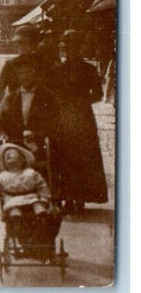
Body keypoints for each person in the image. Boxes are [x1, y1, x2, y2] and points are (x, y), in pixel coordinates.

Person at [52, 30, 108, 211]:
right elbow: (50, 94)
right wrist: (81, 102)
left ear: (79, 49)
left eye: (73, 48)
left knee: (78, 157)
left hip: (77, 117)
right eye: (67, 48)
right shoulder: (60, 70)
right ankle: (70, 197)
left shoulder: (83, 70)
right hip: (71, 117)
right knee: (67, 157)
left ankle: (78, 197)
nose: (70, 52)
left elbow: (98, 94)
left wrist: (77, 102)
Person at [0, 25, 61, 174]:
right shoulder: (10, 65)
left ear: (35, 44)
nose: (22, 47)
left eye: (26, 43)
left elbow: (55, 93)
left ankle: (54, 188)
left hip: (39, 120)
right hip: (16, 117)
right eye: (19, 43)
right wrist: (3, 113)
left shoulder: (45, 65)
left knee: (57, 151)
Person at [0, 141, 60, 256]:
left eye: (13, 153)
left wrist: (45, 199)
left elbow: (42, 186)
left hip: (31, 197)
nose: (9, 155)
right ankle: (17, 224)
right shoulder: (3, 176)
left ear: (22, 160)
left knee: (38, 205)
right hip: (13, 200)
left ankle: (41, 217)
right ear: (4, 164)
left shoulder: (31, 173)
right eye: (6, 156)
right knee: (14, 211)